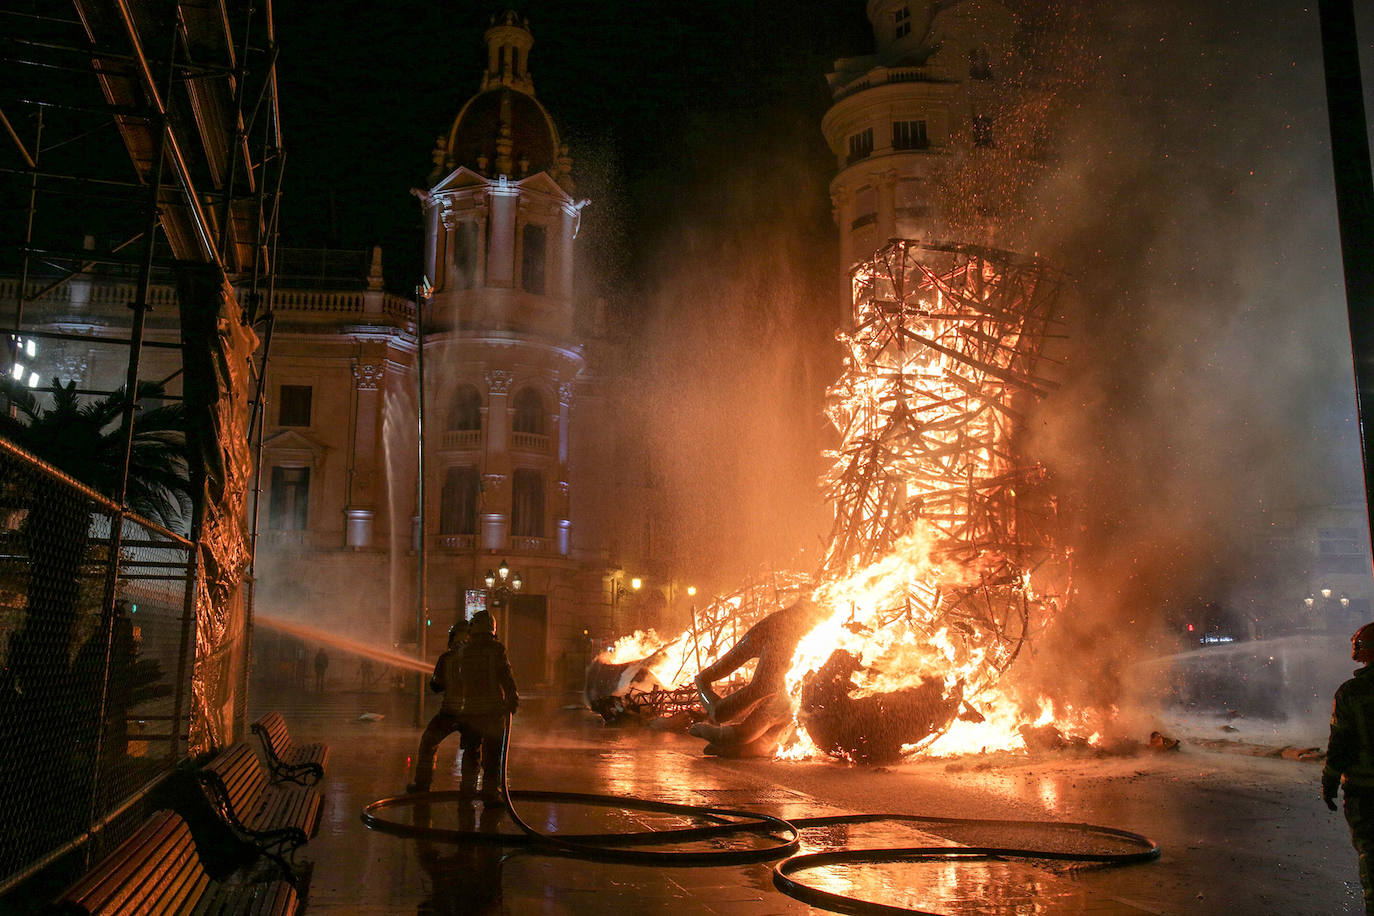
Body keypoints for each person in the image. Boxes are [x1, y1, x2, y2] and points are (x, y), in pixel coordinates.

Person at [689, 597, 826, 757]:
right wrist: (704, 684)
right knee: (729, 719)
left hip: (785, 694)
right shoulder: (782, 628)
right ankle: (704, 688)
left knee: (756, 744)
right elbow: (758, 689)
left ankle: (735, 742)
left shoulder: (824, 630)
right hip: (774, 684)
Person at [409, 612, 519, 801]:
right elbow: (505, 678)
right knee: (478, 753)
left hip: (470, 712)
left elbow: (437, 686)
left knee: (474, 751)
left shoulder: (465, 653)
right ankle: (482, 792)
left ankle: (468, 790)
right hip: (468, 712)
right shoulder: (458, 656)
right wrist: (512, 699)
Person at [1324, 621, 1374, 913]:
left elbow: (1339, 745)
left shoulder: (1350, 693)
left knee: (1371, 857)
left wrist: (1328, 783)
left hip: (1364, 795)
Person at [408, 623, 468, 795]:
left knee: (429, 742)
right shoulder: (475, 658)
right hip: (472, 713)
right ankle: (469, 789)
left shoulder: (446, 658)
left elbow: (436, 686)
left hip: (449, 712)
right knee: (473, 752)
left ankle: (422, 785)